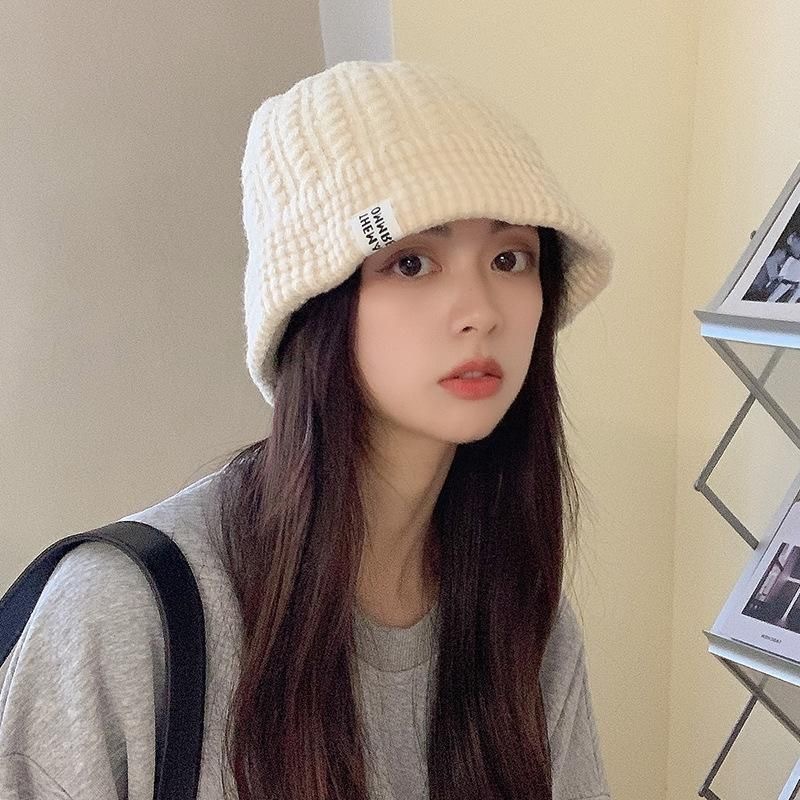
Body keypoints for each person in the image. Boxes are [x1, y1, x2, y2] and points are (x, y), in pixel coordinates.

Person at [0, 59, 613, 800]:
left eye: (510, 258)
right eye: (410, 262)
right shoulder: (123, 613)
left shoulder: (524, 620)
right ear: (313, 307)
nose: (481, 310)